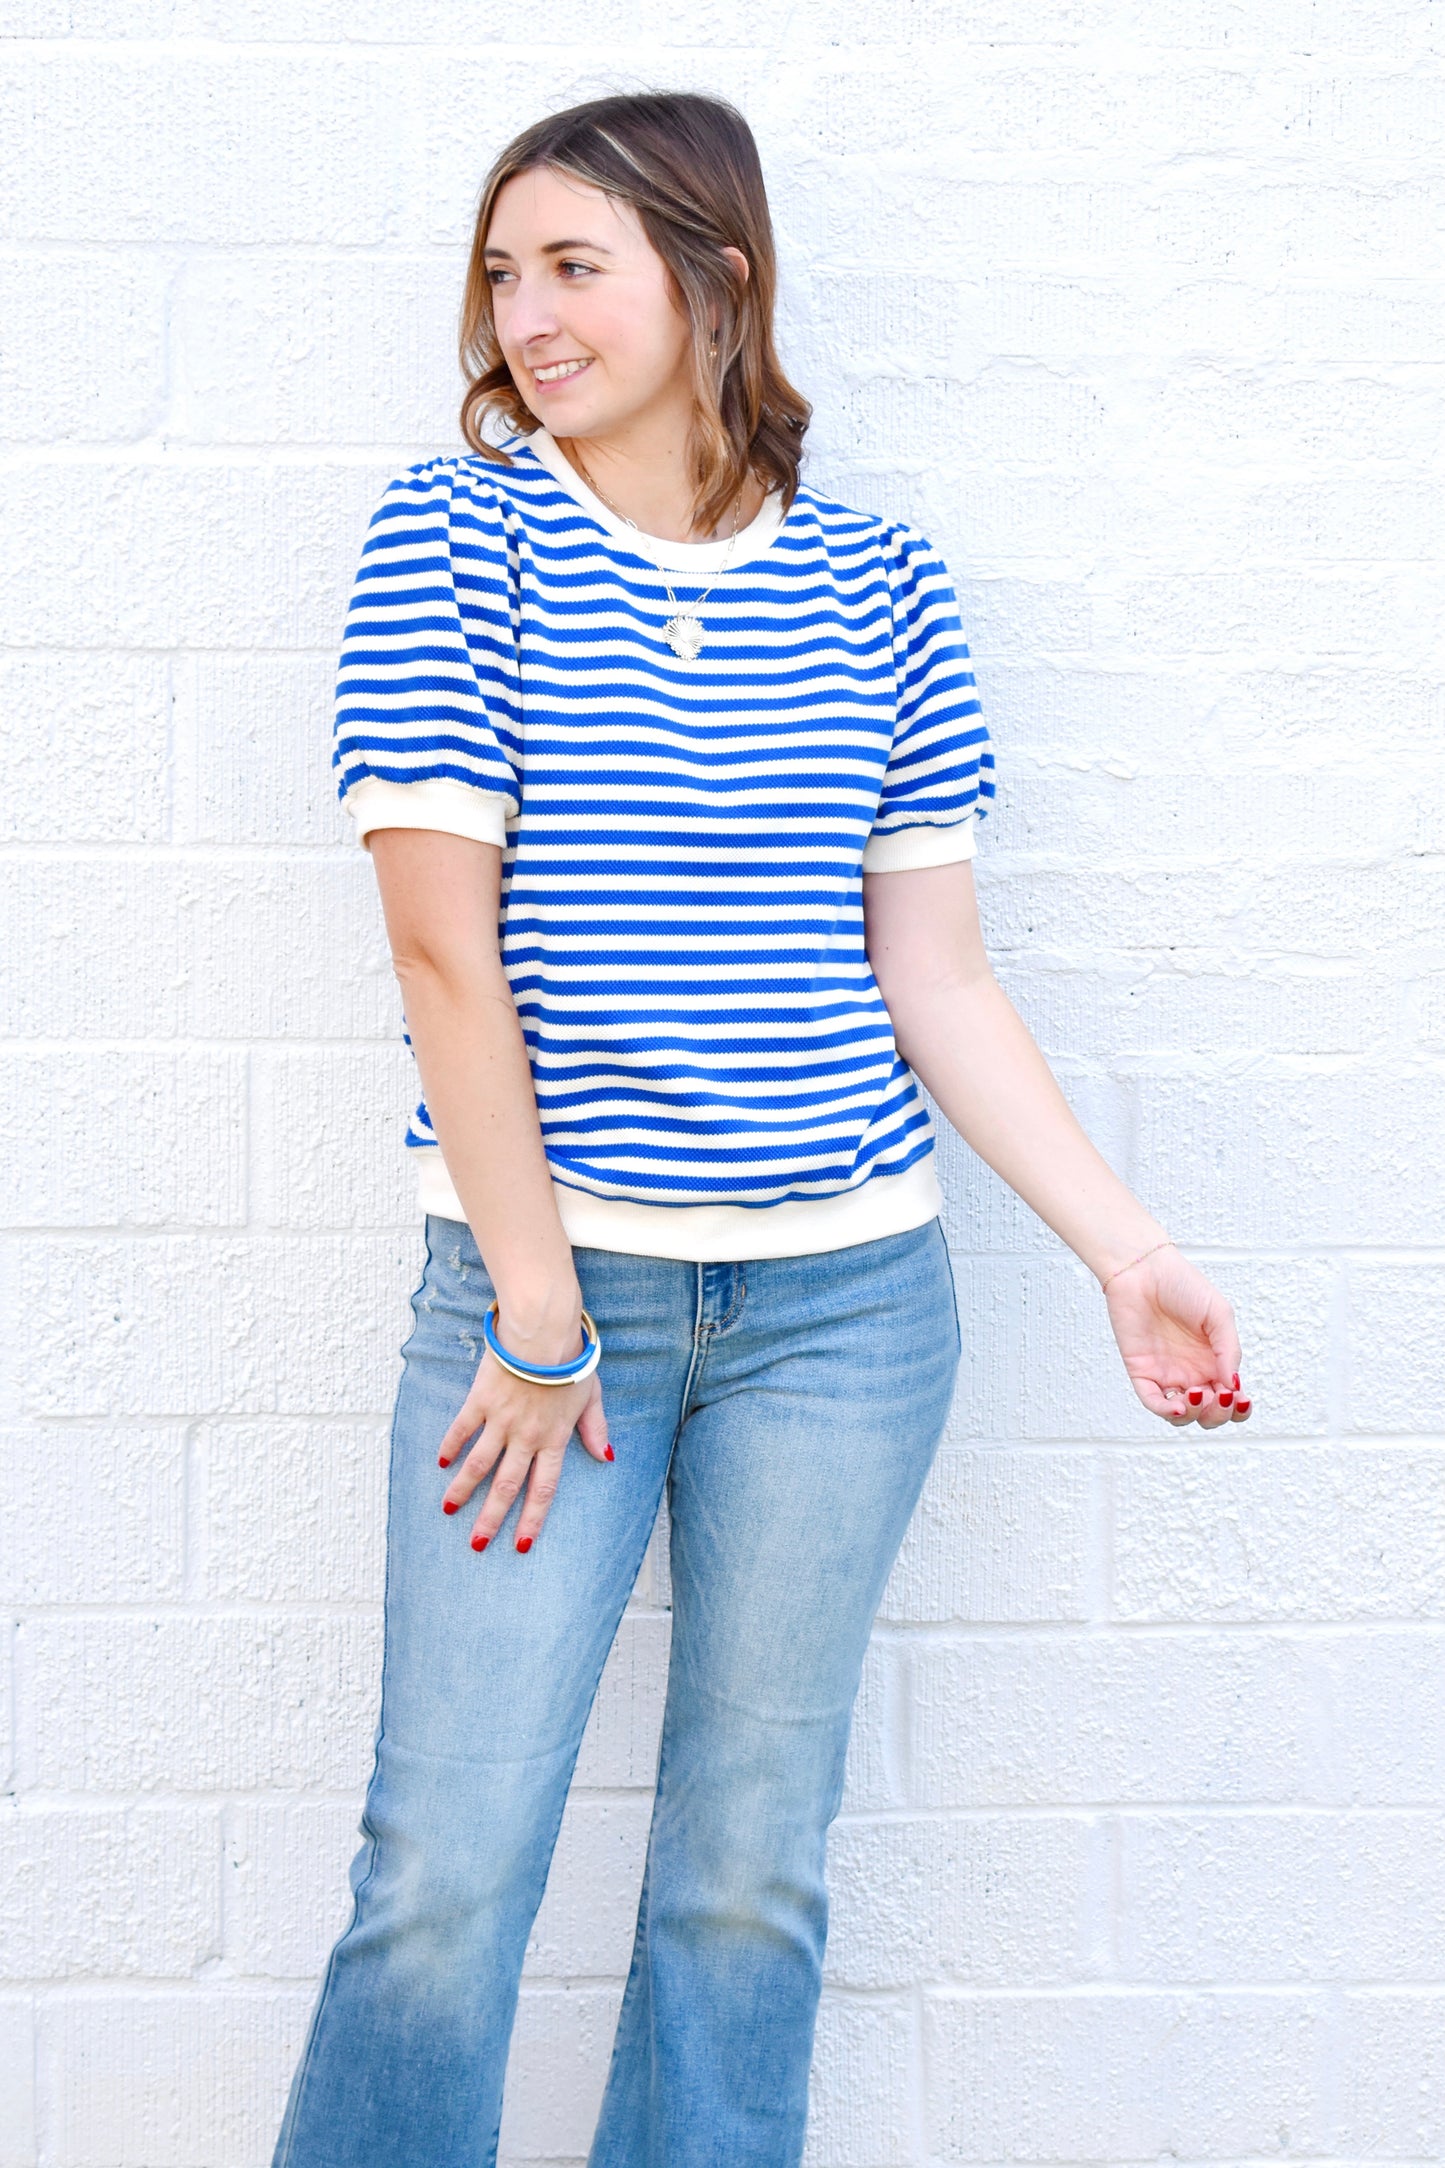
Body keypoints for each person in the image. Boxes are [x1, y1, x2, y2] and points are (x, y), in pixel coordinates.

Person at [271, 89, 1251, 2168]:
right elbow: (444, 954)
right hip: (543, 1315)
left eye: (576, 264)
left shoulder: (883, 585)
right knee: (442, 1879)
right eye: (504, 271)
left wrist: (1119, 1242)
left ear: (716, 276)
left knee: (748, 1877)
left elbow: (939, 978)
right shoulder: (459, 537)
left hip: (845, 1319)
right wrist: (537, 1304)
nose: (527, 314)